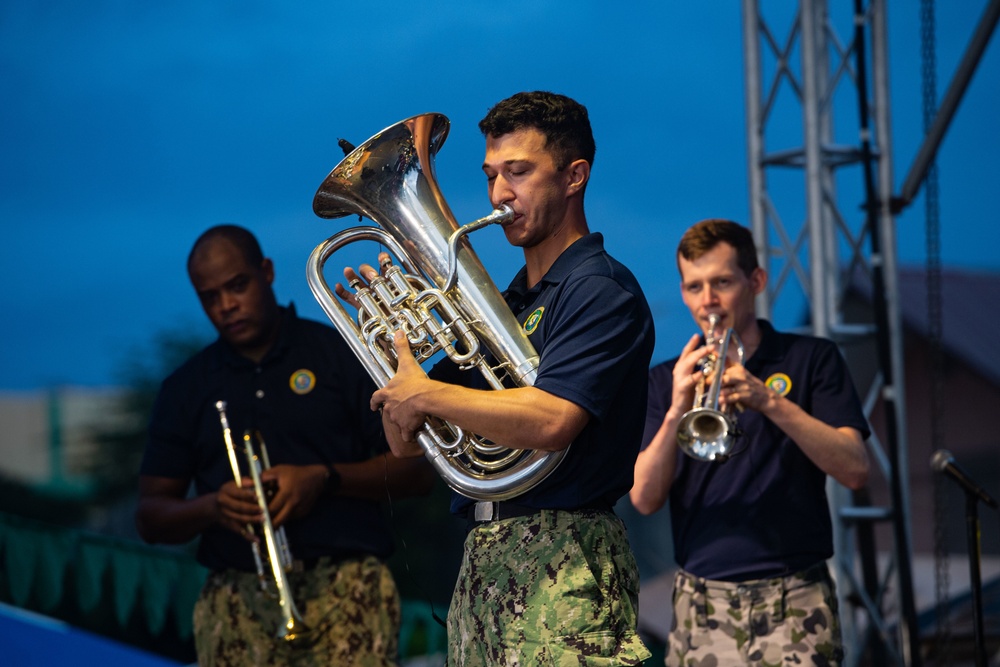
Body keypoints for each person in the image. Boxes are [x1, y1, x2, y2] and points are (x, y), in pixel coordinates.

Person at [343, 91, 655, 665]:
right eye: (490, 175)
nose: (497, 194)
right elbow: (408, 446)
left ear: (574, 176)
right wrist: (397, 358)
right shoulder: (504, 303)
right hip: (484, 557)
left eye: (519, 172)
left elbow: (556, 419)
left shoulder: (600, 289)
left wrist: (428, 391)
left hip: (568, 560)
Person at [135, 225, 435, 667]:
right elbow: (150, 516)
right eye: (209, 296)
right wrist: (214, 507)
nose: (226, 306)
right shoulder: (185, 388)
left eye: (237, 286)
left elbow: (417, 472)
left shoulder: (340, 353)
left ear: (267, 272)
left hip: (348, 589)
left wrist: (324, 479)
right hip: (237, 598)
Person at [630, 219, 871, 666]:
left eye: (722, 282)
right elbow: (644, 498)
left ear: (756, 280)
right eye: (694, 286)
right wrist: (676, 409)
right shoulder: (666, 379)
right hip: (701, 601)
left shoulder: (810, 358)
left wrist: (769, 401)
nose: (708, 302)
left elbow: (855, 468)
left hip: (795, 595)